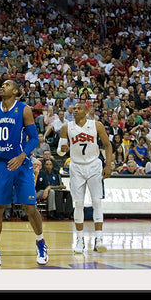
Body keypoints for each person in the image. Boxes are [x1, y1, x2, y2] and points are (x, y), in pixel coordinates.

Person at [0, 79, 48, 267]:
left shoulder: (24, 109)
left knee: (29, 207)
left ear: (16, 92)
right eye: (2, 84)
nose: (2, 86)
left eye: (7, 84)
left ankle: (41, 243)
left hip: (22, 164)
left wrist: (22, 156)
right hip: (1, 164)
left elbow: (33, 140)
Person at [58, 102, 113, 253]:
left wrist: (108, 165)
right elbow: (60, 152)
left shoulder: (97, 125)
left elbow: (108, 145)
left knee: (97, 201)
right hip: (76, 166)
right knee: (79, 203)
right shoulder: (66, 128)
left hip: (94, 165)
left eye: (78, 108)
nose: (75, 110)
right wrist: (63, 150)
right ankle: (80, 240)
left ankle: (99, 238)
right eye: (74, 109)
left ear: (86, 111)